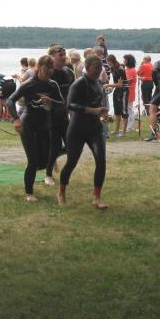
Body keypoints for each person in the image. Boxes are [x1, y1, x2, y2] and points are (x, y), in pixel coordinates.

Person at [6, 55, 64, 201]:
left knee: (43, 161)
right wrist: (16, 119)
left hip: (45, 124)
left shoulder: (52, 85)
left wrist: (51, 101)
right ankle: (29, 193)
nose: (49, 71)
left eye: (51, 69)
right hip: (28, 125)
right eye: (47, 68)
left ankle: (45, 166)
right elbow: (10, 101)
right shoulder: (29, 84)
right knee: (32, 161)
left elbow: (62, 104)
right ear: (39, 67)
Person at [57, 54, 110, 209]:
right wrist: (92, 110)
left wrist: (103, 112)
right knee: (72, 162)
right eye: (96, 68)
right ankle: (61, 192)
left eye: (100, 68)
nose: (99, 71)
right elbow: (70, 105)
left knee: (101, 161)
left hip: (95, 128)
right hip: (77, 128)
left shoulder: (98, 83)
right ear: (87, 67)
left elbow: (98, 103)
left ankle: (97, 198)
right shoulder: (79, 83)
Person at [47, 45, 76, 185]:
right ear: (52, 57)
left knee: (72, 146)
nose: (64, 57)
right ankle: (48, 175)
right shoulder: (48, 73)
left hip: (64, 114)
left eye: (65, 54)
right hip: (50, 115)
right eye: (61, 55)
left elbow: (73, 96)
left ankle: (52, 159)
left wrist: (73, 116)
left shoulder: (69, 72)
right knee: (55, 144)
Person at [106, 54, 128, 137]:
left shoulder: (120, 69)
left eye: (108, 62)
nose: (108, 64)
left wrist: (108, 85)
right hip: (117, 90)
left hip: (124, 90)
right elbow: (116, 82)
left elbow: (120, 84)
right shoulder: (112, 68)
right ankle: (116, 130)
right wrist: (111, 88)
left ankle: (124, 132)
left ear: (112, 61)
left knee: (123, 111)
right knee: (117, 110)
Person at [123, 54, 138, 134]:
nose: (123, 61)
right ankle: (128, 126)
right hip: (126, 91)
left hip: (130, 91)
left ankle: (130, 126)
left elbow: (127, 81)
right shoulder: (127, 69)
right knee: (127, 109)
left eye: (125, 60)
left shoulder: (132, 70)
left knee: (129, 109)